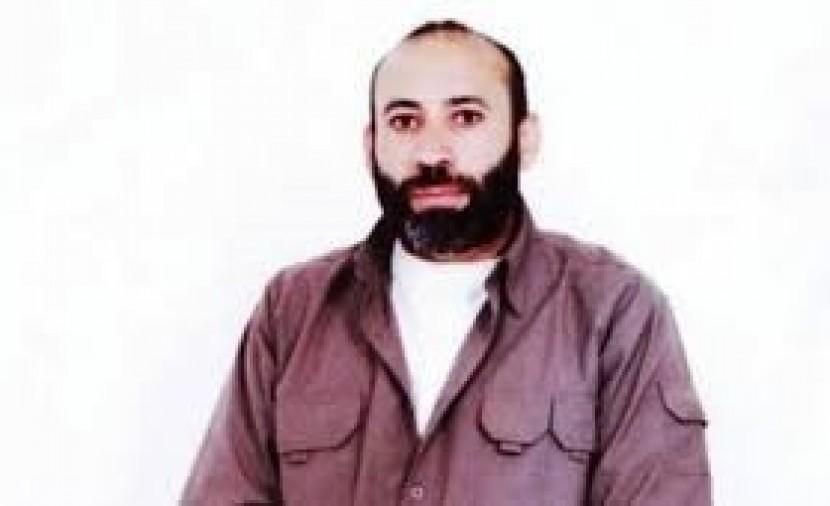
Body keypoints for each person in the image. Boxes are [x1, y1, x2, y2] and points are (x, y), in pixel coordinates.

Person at [181, 20, 712, 505]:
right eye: (405, 121)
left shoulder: (614, 311)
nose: (432, 152)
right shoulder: (294, 309)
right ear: (371, 145)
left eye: (466, 117)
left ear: (524, 139)